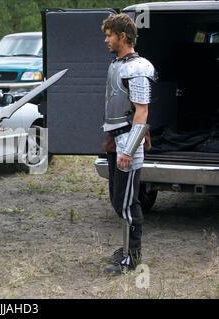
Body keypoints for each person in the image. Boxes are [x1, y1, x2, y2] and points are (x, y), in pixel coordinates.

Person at [100, 14, 156, 274]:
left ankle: (131, 258)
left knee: (128, 202)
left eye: (110, 35)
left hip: (129, 140)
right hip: (117, 139)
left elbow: (141, 112)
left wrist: (129, 149)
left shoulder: (138, 67)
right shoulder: (117, 65)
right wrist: (110, 139)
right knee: (117, 198)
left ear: (123, 36)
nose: (106, 39)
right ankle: (125, 249)